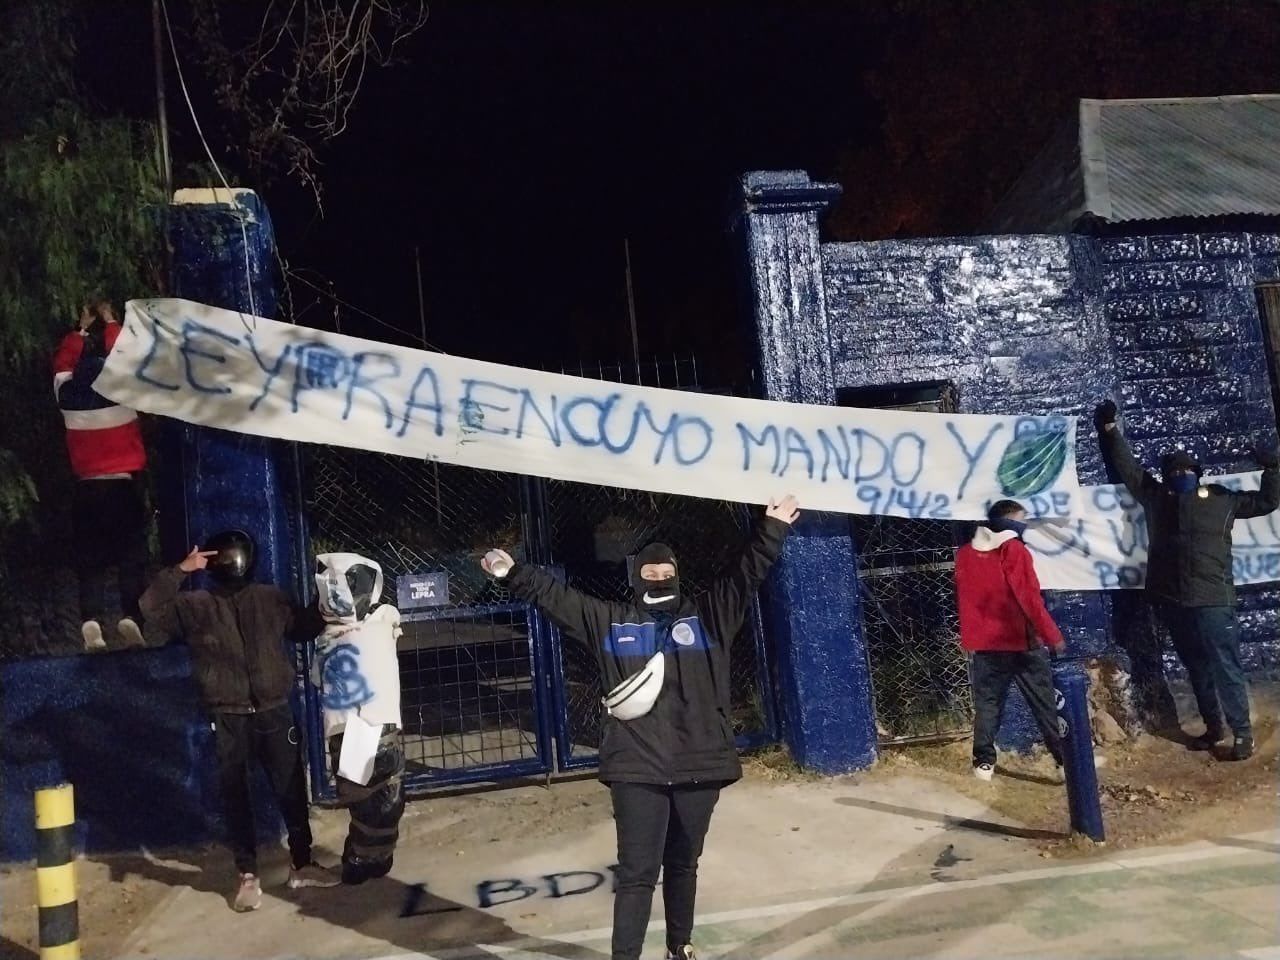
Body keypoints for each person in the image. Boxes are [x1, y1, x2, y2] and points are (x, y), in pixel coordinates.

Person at [481, 495, 799, 960]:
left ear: (678, 573)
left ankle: (679, 946)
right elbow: (558, 600)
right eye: (648, 573)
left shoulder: (711, 615)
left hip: (700, 761)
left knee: (684, 863)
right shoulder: (612, 622)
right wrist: (514, 572)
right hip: (636, 765)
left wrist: (771, 527)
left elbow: (747, 572)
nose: (658, 577)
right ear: (634, 577)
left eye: (665, 571)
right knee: (637, 872)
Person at [140, 530, 338, 911]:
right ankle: (247, 875)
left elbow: (303, 628)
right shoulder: (196, 604)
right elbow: (150, 606)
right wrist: (181, 569)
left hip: (273, 708)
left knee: (291, 789)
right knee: (236, 797)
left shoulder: (269, 598)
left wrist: (324, 596)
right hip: (228, 714)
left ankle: (302, 862)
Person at [1095, 399, 1280, 761]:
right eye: (1175, 471)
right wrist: (1110, 431)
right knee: (1198, 667)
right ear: (1167, 476)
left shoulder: (1221, 500)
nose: (1181, 474)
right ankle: (1215, 728)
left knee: (1224, 667)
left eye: (1186, 470)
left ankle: (1242, 733)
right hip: (1176, 601)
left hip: (1211, 600)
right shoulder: (1159, 497)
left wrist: (1272, 467)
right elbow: (1128, 469)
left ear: (1198, 472)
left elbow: (1268, 502)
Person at [52, 298, 149, 651]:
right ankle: (130, 616)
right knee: (130, 556)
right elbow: (124, 355)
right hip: (122, 488)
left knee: (90, 560)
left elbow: (62, 366)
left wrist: (80, 329)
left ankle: (91, 619)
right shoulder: (124, 393)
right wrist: (110, 322)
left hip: (87, 489)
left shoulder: (67, 398)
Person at [955, 499, 1066, 782]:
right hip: (1020, 640)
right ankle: (1066, 760)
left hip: (987, 644)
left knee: (988, 704)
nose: (1025, 523)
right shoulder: (1014, 549)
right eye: (1021, 517)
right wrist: (1051, 635)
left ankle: (983, 763)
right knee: (1044, 702)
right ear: (1011, 520)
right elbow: (1029, 597)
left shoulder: (967, 554)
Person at [312, 552, 406, 885]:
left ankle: (374, 856)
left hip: (378, 721)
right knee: (368, 800)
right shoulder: (331, 635)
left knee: (387, 798)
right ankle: (361, 856)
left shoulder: (380, 620)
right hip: (351, 725)